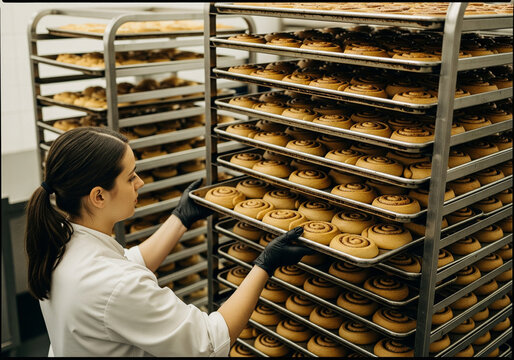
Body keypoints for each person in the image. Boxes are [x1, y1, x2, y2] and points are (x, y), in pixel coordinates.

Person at [25, 127, 313, 357]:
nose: (140, 183)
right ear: (99, 196)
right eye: (130, 177)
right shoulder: (113, 284)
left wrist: (180, 218)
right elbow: (209, 342)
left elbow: (128, 263)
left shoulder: (59, 239)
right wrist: (265, 264)